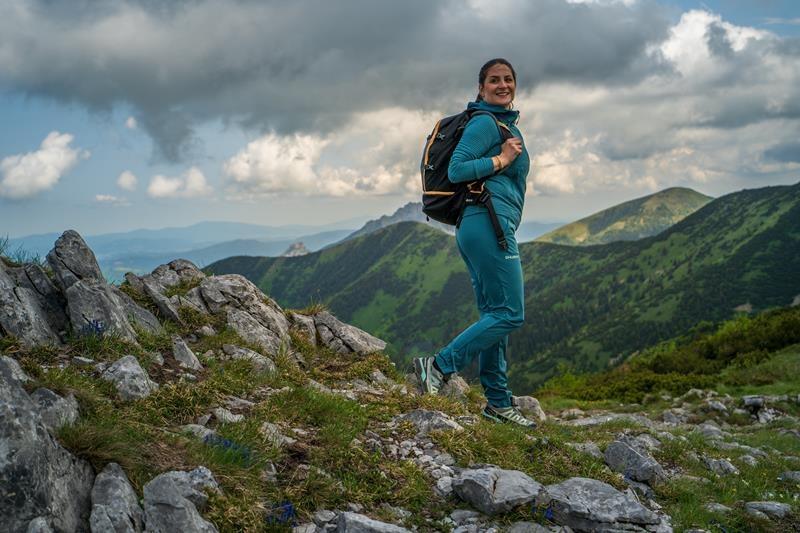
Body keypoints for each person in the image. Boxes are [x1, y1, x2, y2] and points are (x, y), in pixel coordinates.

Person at [414, 58, 535, 428]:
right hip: (487, 223)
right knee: (510, 312)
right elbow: (457, 170)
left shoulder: (502, 124)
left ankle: (497, 403)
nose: (503, 85)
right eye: (494, 80)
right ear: (481, 89)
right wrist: (502, 159)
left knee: (495, 314)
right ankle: (439, 366)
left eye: (508, 79)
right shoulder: (485, 123)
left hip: (482, 224)